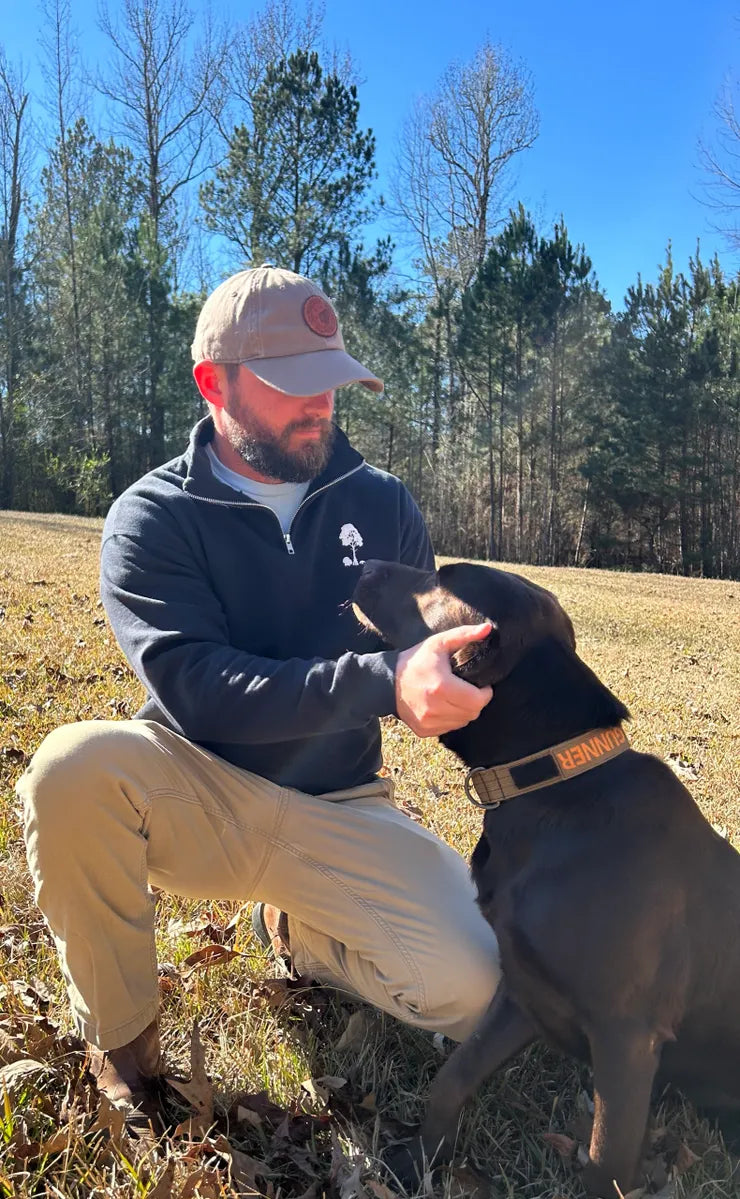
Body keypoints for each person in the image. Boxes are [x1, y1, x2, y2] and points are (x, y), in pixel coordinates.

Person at [17, 265, 501, 1129]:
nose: (321, 405)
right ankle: (123, 1045)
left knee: (483, 988)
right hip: (197, 787)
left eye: (332, 381)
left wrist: (466, 674)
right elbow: (202, 689)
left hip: (344, 803)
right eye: (293, 384)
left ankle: (297, 933)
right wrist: (383, 681)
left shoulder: (383, 503)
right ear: (214, 384)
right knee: (69, 770)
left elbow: (425, 648)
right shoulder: (152, 516)